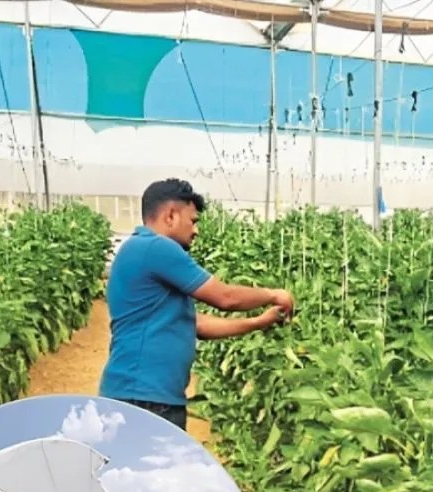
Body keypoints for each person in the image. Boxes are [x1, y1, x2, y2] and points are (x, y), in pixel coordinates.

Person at [100, 178, 295, 430]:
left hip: (139, 395)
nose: (196, 231)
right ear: (171, 215)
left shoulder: (140, 250)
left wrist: (259, 322)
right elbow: (226, 297)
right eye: (193, 221)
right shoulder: (156, 247)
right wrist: (274, 295)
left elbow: (197, 324)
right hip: (144, 399)